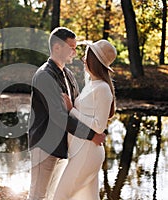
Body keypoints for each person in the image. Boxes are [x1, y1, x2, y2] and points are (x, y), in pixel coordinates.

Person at [27, 27, 106, 200]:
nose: (75, 52)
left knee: (53, 195)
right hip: (45, 146)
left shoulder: (68, 74)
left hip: (63, 147)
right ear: (57, 47)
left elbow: (75, 109)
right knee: (38, 196)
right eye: (71, 47)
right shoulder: (44, 76)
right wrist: (91, 135)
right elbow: (59, 116)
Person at [53, 39, 117, 199]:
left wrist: (72, 110)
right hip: (79, 150)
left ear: (93, 61)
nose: (83, 59)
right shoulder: (92, 84)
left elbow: (99, 126)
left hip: (87, 153)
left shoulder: (102, 88)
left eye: (86, 56)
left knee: (60, 196)